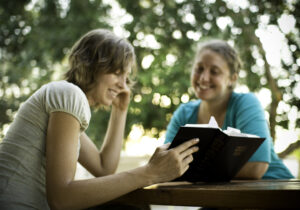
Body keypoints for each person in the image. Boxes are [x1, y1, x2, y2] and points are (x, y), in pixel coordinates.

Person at [0, 29, 199, 210]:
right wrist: (149, 173)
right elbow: (61, 198)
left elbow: (104, 169)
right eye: (117, 72)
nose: (123, 84)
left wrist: (120, 111)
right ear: (91, 66)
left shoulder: (65, 102)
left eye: (126, 76)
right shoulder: (69, 94)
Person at [165, 39, 294, 180]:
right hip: (217, 197)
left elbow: (256, 168)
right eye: (199, 69)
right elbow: (167, 165)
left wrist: (192, 172)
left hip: (274, 191)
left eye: (214, 72)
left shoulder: (246, 103)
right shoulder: (183, 113)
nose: (203, 78)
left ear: (232, 79)